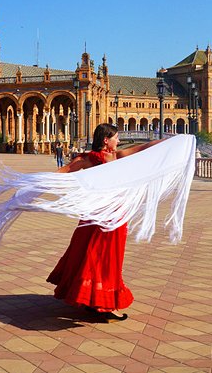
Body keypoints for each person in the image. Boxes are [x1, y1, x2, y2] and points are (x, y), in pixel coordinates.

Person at [46, 123, 166, 322]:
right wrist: (171, 143)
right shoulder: (114, 158)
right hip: (112, 217)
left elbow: (63, 172)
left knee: (90, 255)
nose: (118, 141)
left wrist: (34, 183)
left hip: (94, 214)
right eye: (116, 137)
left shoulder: (87, 159)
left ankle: (91, 299)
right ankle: (104, 303)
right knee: (108, 259)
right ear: (106, 140)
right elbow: (146, 148)